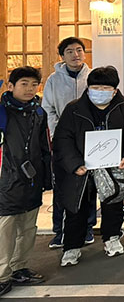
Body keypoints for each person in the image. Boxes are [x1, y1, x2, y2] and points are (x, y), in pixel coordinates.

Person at [54, 66, 124, 268]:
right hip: (82, 168)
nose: (100, 91)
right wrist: (74, 164)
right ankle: (71, 247)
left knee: (113, 203)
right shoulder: (74, 109)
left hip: (113, 166)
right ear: (88, 88)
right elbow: (62, 139)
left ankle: (112, 238)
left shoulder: (123, 106)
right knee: (76, 208)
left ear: (114, 91)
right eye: (95, 87)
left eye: (105, 88)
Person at [0, 66, 52, 296]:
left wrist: (47, 178)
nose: (30, 89)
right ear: (11, 86)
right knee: (5, 231)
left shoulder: (38, 112)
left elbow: (45, 146)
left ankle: (19, 268)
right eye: (24, 84)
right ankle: (2, 276)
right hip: (6, 182)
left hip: (32, 180)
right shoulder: (2, 112)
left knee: (28, 228)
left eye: (34, 84)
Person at [42, 37, 95, 250]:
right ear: (62, 56)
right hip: (63, 140)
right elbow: (48, 109)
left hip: (89, 140)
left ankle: (88, 227)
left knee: (89, 186)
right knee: (63, 186)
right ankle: (59, 231)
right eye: (70, 51)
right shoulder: (54, 80)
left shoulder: (92, 77)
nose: (76, 54)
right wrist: (56, 134)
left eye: (79, 50)